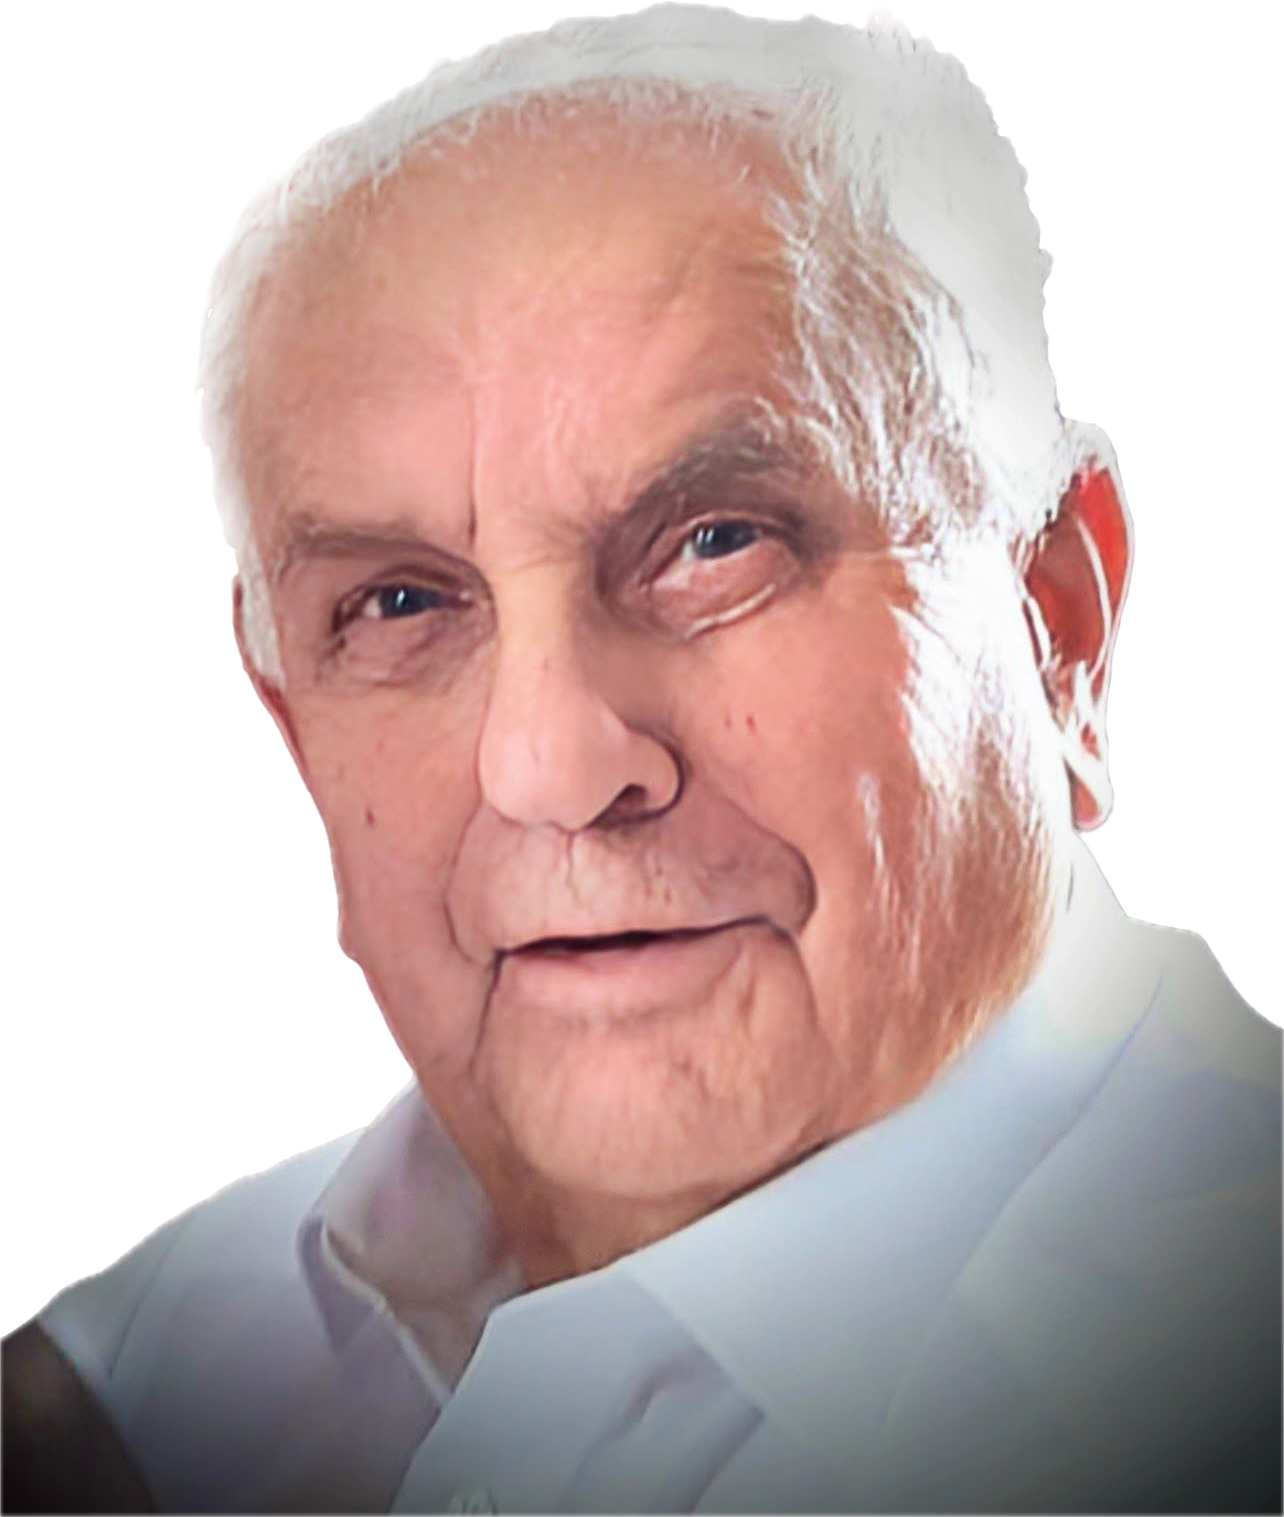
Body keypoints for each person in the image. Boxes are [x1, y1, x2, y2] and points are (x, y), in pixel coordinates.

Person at [3, 5, 1278, 1514]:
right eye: (400, 604)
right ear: (290, 721)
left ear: (1059, 625)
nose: (550, 765)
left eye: (717, 542)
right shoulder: (125, 1403)